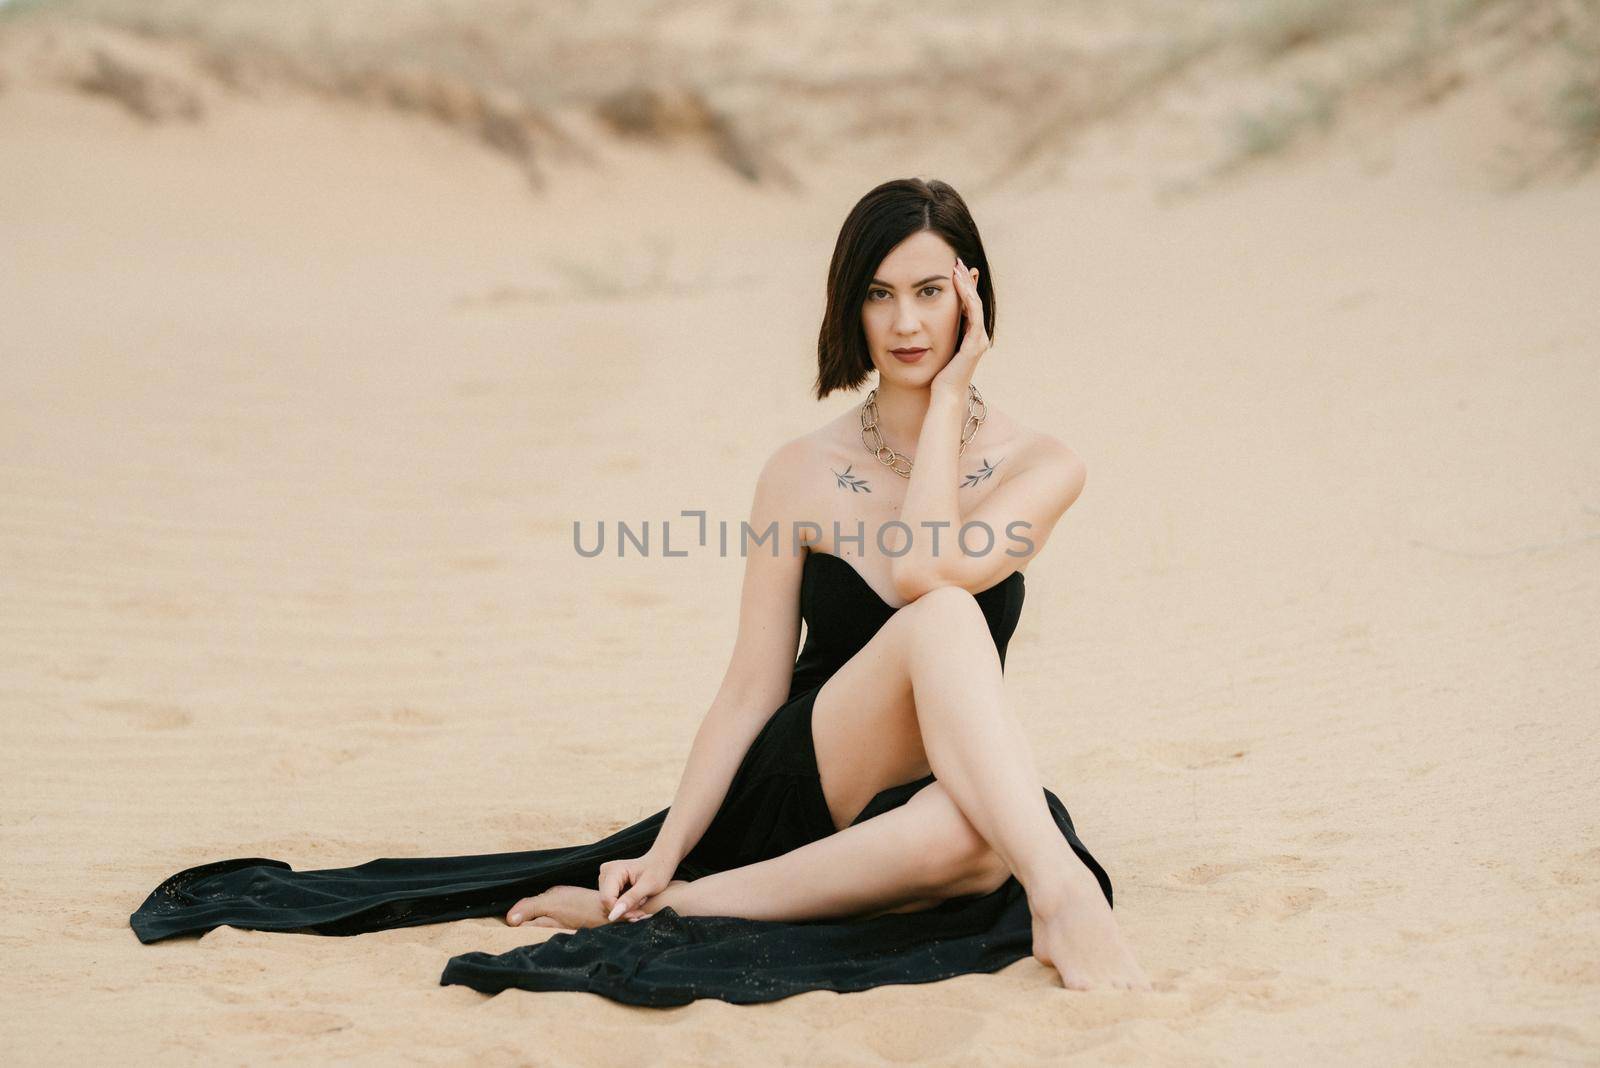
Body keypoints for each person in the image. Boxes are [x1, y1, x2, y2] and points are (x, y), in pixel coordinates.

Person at [129, 176, 1150, 1002]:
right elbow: (758, 681)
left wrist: (954, 402)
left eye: (930, 292)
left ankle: (690, 909)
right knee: (943, 623)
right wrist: (664, 843)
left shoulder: (1039, 465)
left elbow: (931, 557)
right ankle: (1058, 893)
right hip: (806, 776)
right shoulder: (799, 471)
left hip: (939, 788)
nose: (906, 321)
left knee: (974, 837)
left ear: (972, 297)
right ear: (849, 305)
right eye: (879, 293)